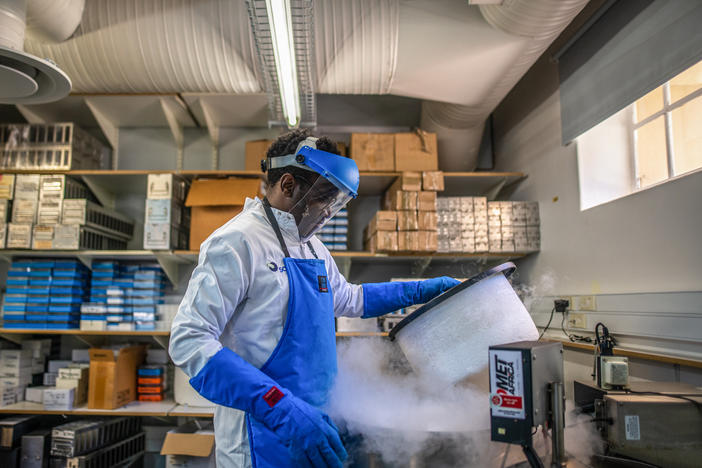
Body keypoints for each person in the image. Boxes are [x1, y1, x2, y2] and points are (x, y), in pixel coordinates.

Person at [169, 130, 460, 468]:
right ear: (289, 184)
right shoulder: (237, 242)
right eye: (324, 199)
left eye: (337, 203)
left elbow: (350, 298)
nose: (327, 213)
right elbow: (189, 340)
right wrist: (279, 406)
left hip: (314, 426)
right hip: (262, 435)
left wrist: (419, 290)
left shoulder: (313, 247)